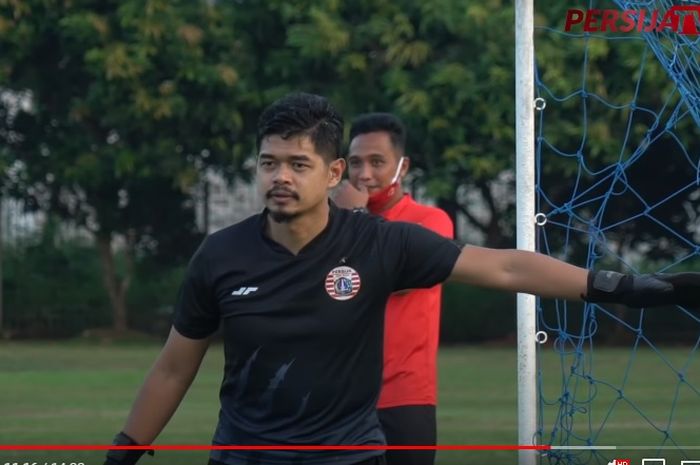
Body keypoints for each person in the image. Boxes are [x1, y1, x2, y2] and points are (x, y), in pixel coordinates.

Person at [104, 92, 699, 465]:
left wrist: (618, 287)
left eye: (298, 164)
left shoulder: (380, 243)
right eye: (269, 163)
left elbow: (506, 264)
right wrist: (125, 452)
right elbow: (174, 367)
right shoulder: (220, 256)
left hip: (349, 455)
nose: (279, 177)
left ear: (333, 171)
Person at [332, 113, 451, 465]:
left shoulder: (429, 221)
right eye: (355, 162)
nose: (364, 174)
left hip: (404, 396)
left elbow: (390, 275)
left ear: (403, 166)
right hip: (339, 396)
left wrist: (353, 220)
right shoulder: (332, 222)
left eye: (377, 162)